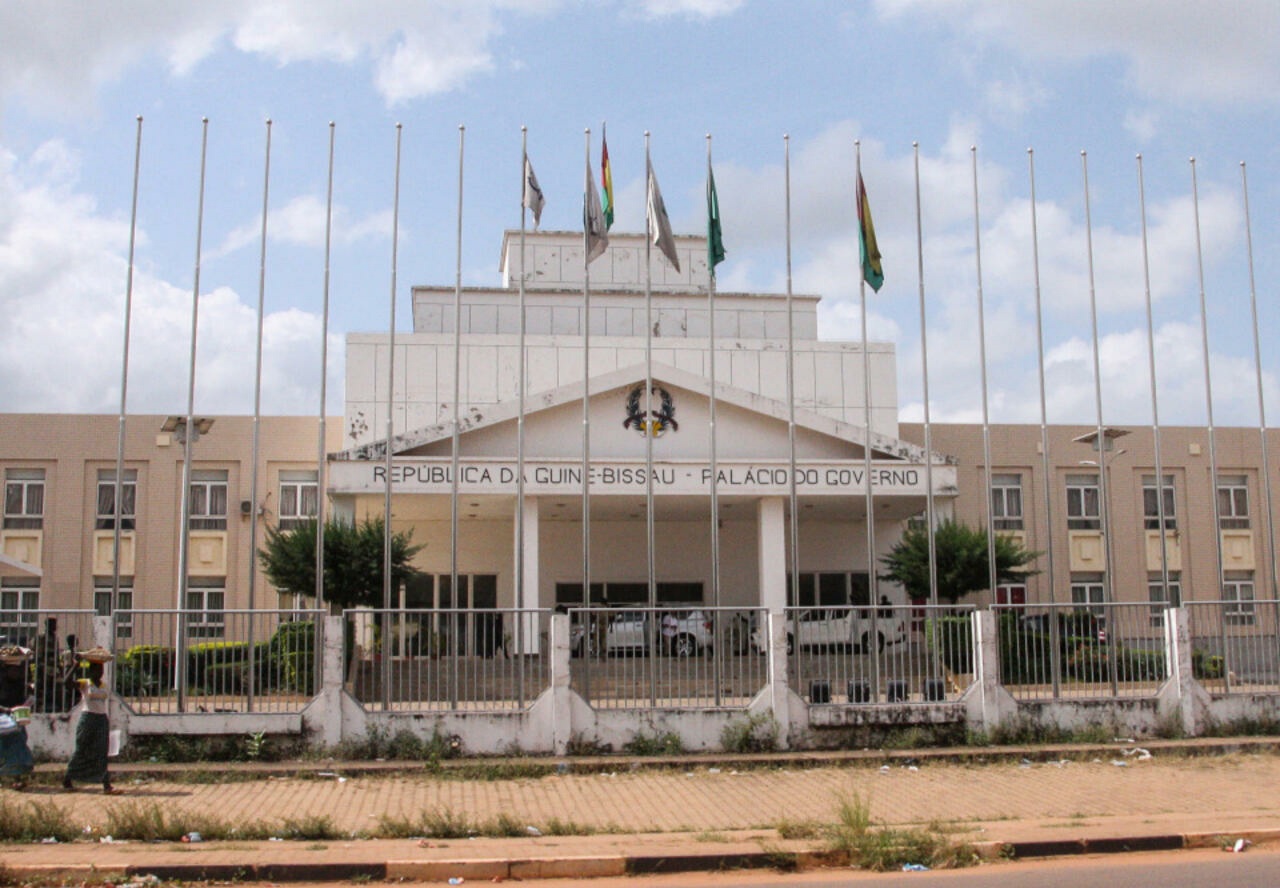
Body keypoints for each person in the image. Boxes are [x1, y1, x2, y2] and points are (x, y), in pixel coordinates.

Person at [62, 646, 119, 795]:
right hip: (88, 718)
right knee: (82, 749)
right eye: (96, 670)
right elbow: (66, 682)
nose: (99, 673)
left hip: (101, 719)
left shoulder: (104, 686)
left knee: (101, 752)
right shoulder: (85, 683)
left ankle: (106, 784)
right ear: (90, 671)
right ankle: (68, 778)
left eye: (101, 670)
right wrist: (76, 665)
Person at [0, 646, 35, 789]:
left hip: (16, 719)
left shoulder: (19, 684)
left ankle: (17, 778)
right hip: (3, 720)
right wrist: (7, 710)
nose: (18, 672)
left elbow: (23, 700)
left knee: (18, 747)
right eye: (14, 670)